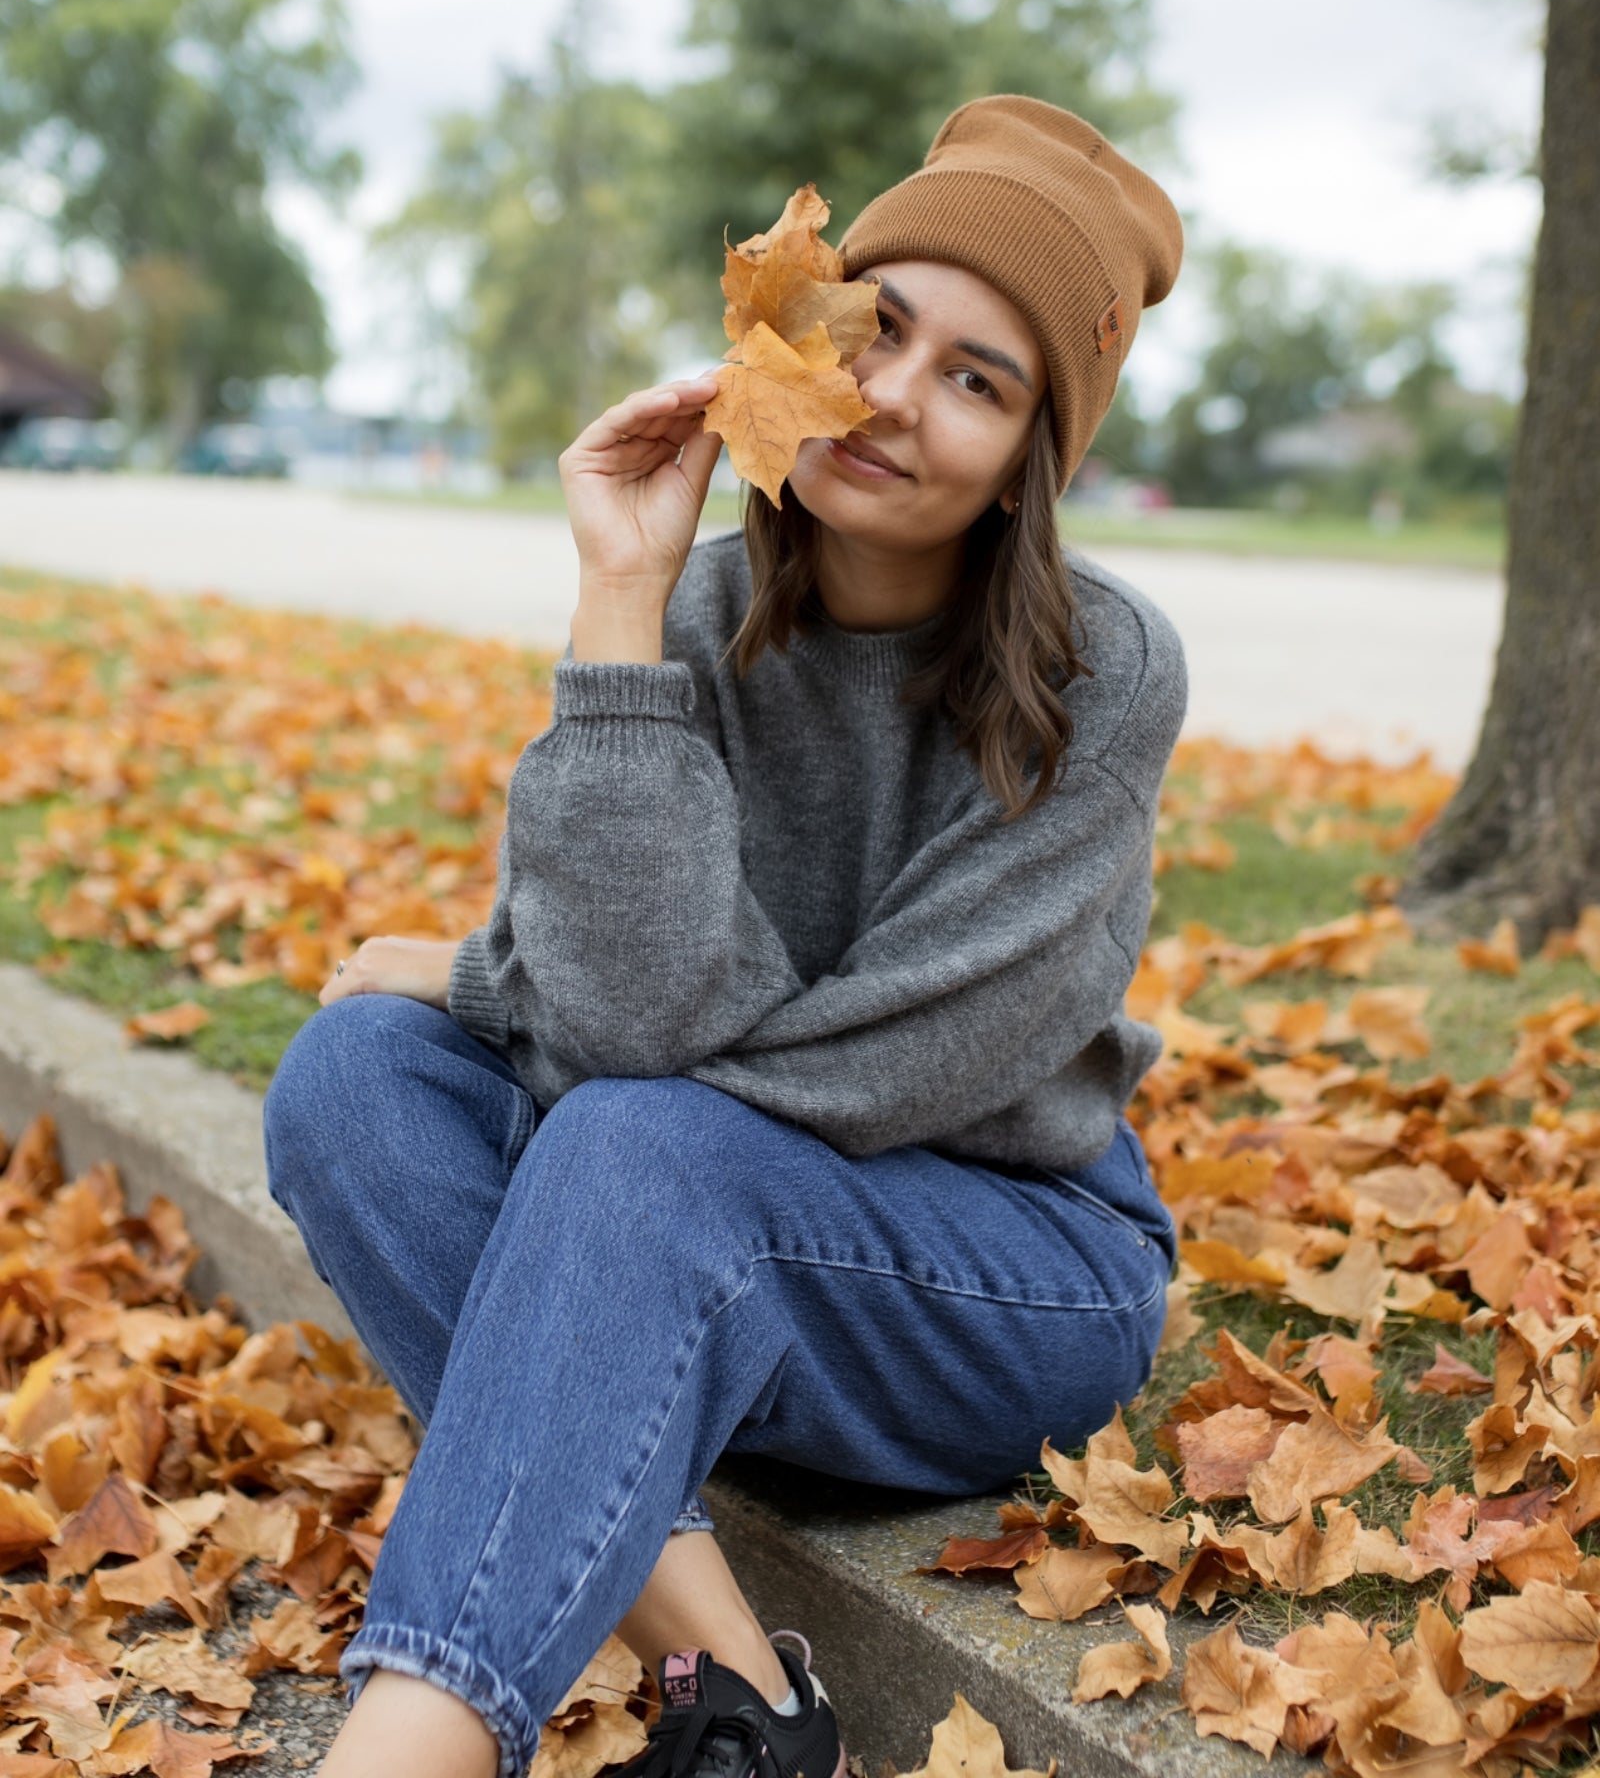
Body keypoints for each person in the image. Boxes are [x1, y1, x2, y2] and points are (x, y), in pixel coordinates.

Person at [263, 95, 1187, 1778]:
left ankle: (410, 1747)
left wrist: (489, 977)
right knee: (353, 1076)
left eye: (979, 379)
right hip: (708, 1233)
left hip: (1008, 1276)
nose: (896, 398)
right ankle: (753, 1705)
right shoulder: (685, 615)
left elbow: (901, 1060)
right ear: (802, 331)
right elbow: (627, 1024)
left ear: (1030, 461)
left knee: (635, 1140)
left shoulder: (1099, 677)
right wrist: (617, 600)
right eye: (877, 327)